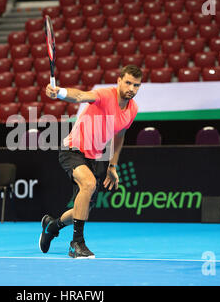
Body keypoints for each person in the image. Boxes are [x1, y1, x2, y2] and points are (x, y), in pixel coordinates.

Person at [39, 65, 143, 258]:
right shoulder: (105, 95)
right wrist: (59, 92)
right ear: (119, 80)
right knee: (88, 184)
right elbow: (80, 96)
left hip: (95, 157)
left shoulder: (132, 109)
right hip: (73, 149)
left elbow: (120, 135)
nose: (131, 88)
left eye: (136, 85)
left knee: (83, 207)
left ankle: (52, 226)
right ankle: (76, 244)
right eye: (128, 82)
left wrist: (113, 165)